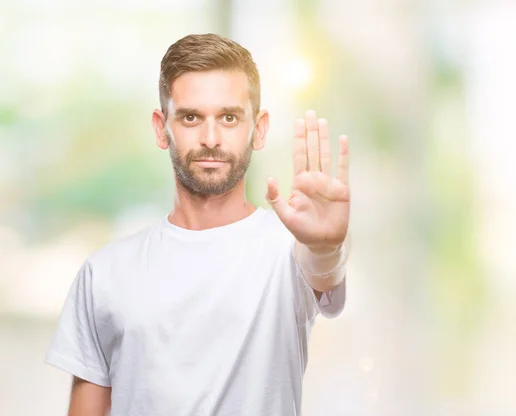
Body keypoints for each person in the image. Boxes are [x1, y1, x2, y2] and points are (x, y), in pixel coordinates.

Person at [45, 33, 350, 416]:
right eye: (191, 117)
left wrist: (326, 248)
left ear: (259, 128)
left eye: (229, 117)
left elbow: (326, 279)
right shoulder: (104, 273)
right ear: (161, 127)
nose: (210, 138)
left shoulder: (289, 250)